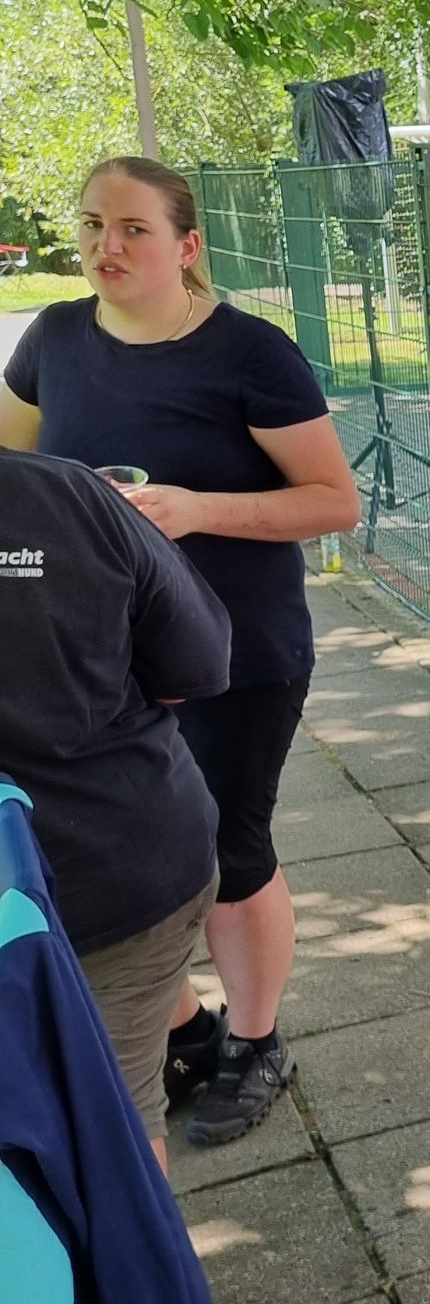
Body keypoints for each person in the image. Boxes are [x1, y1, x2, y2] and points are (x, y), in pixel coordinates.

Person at [0, 157, 360, 1145]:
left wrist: (193, 510)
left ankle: (256, 1041)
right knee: (119, 863)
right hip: (98, 660)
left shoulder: (250, 351)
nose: (105, 246)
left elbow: (335, 502)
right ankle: (187, 1029)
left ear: (187, 245)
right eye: (91, 225)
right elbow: (14, 474)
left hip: (237, 648)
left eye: (133, 229)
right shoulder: (53, 338)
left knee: (229, 852)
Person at [0, 451, 231, 1168]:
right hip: (124, 862)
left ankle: (191, 1041)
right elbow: (194, 666)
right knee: (111, 1124)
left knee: (109, 1128)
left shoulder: (68, 492)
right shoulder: (67, 492)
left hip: (104, 883)